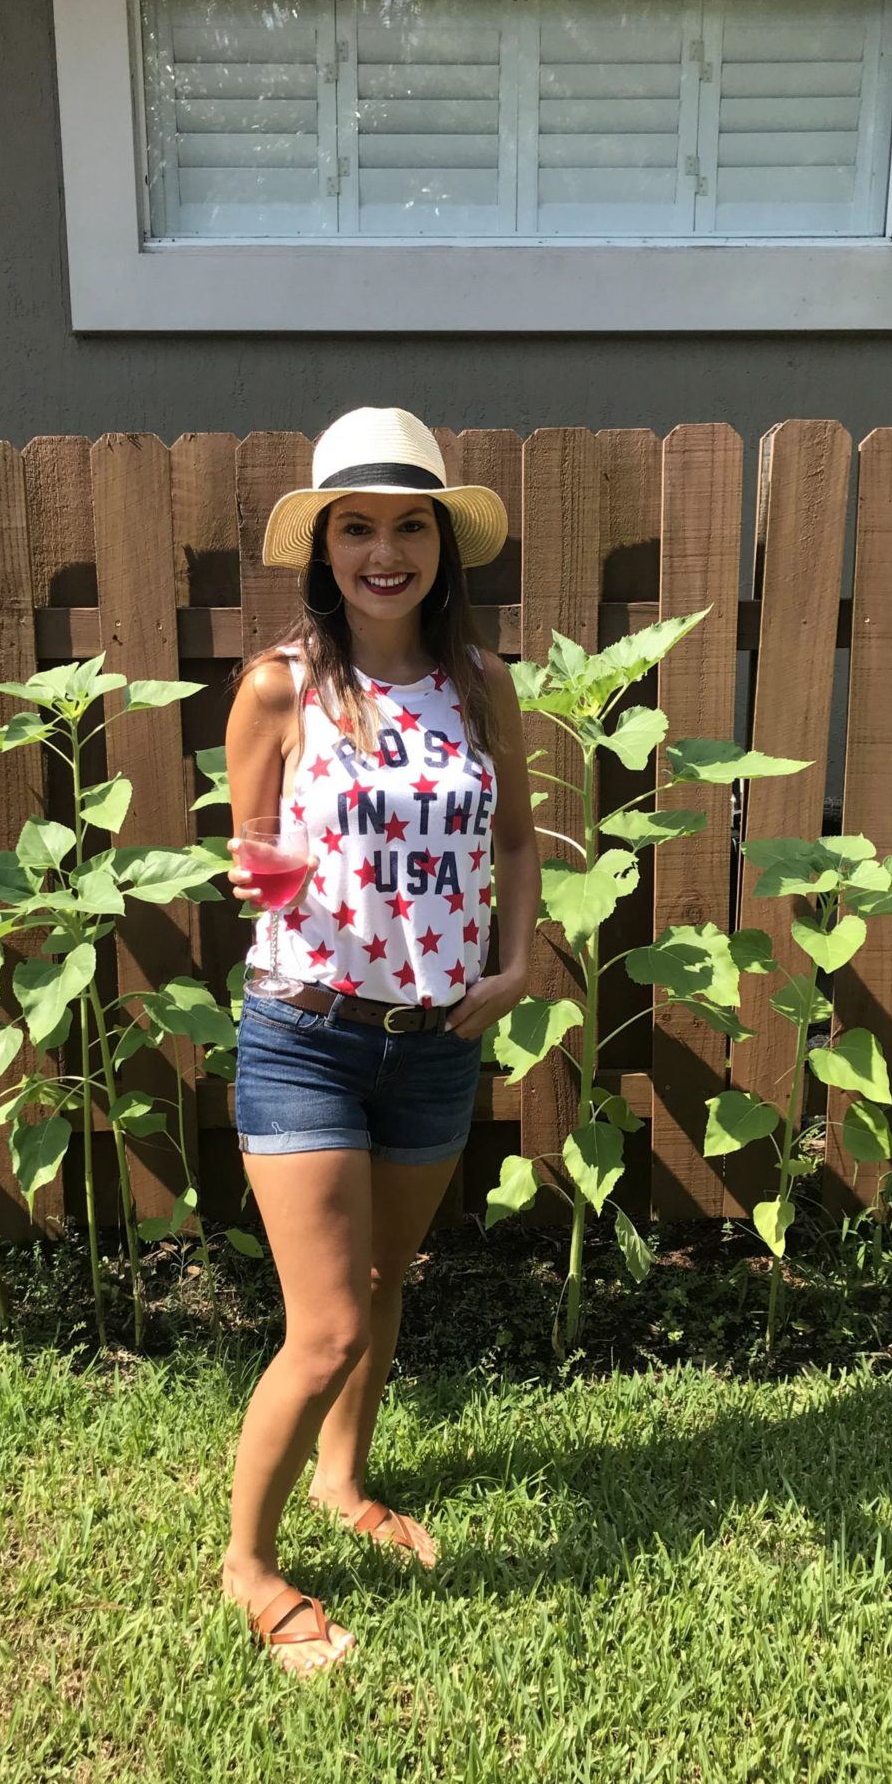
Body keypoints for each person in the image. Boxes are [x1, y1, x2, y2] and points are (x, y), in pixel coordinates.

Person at [220, 407, 541, 1674]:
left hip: (439, 1037)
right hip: (307, 1034)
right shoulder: (280, 685)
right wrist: (265, 874)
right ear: (327, 548)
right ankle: (249, 1567)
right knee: (328, 1327)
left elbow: (513, 839)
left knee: (385, 1286)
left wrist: (516, 963)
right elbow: (251, 847)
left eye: (409, 525)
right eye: (358, 527)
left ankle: (343, 1482)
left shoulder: (478, 684)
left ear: (442, 546)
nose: (385, 551)